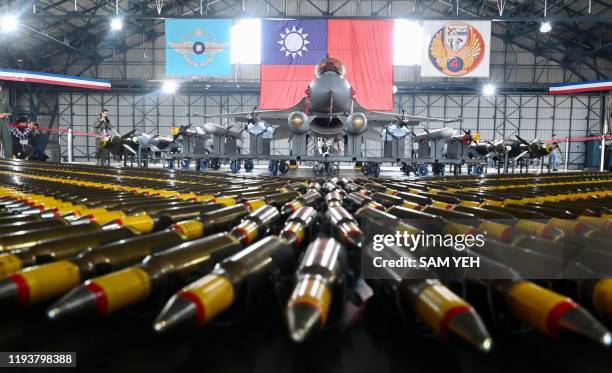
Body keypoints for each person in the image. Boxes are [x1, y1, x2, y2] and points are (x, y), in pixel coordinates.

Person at [0, 83, 12, 158]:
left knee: (7, 142)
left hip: (3, 123)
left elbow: (10, 112)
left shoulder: (5, 101)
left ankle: (9, 160)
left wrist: (6, 114)